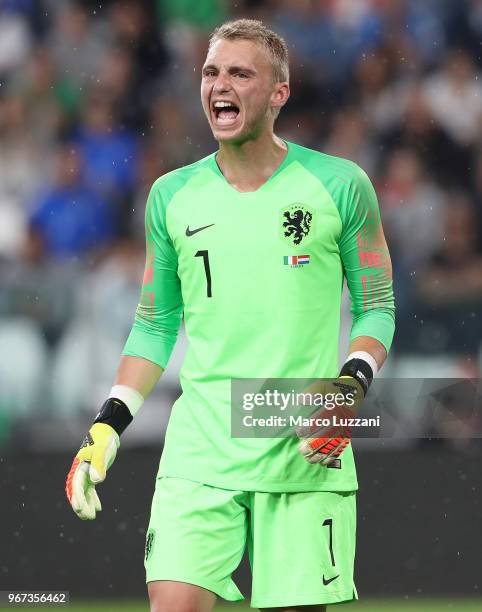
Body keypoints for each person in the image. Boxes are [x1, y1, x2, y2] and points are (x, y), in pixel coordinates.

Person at [65, 19, 395, 612]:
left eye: (241, 73)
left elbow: (378, 307)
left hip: (301, 438)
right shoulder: (171, 197)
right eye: (211, 72)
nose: (221, 84)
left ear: (278, 92)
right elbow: (155, 324)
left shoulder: (341, 185)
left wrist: (351, 387)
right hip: (202, 443)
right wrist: (109, 423)